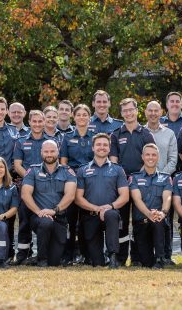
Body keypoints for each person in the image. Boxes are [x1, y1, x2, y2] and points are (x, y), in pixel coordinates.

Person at [110, 98, 156, 265]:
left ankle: (137, 258)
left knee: (139, 220)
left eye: (131, 110)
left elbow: (150, 159)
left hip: (141, 182)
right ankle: (120, 258)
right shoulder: (115, 134)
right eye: (125, 111)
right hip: (121, 184)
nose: (128, 113)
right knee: (120, 222)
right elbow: (114, 161)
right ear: (121, 114)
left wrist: (138, 178)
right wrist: (121, 179)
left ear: (137, 111)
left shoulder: (146, 134)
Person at [74, 133, 130, 268]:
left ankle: (113, 255)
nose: (102, 147)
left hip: (111, 214)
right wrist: (96, 209)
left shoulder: (118, 170)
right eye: (98, 144)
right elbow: (78, 198)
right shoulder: (82, 170)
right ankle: (98, 258)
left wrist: (109, 207)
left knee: (111, 215)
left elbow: (125, 196)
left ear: (109, 148)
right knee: (97, 263)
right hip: (90, 216)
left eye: (105, 145)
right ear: (92, 148)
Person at [21, 140, 78, 266]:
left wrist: (54, 211)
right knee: (46, 223)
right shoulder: (33, 171)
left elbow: (70, 195)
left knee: (55, 261)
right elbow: (25, 194)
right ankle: (42, 260)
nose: (49, 154)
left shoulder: (67, 172)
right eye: (46, 151)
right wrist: (39, 212)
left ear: (58, 152)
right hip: (39, 218)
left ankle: (39, 258)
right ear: (41, 152)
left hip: (59, 218)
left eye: (52, 151)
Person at [59, 104, 96, 264]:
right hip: (72, 182)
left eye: (84, 114)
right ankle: (69, 254)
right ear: (74, 117)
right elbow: (64, 163)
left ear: (89, 117)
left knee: (87, 221)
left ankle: (86, 254)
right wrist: (71, 176)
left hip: (90, 182)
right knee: (70, 221)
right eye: (78, 114)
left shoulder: (95, 137)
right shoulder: (67, 138)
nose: (81, 117)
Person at [12, 109, 50, 265]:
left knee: (43, 219)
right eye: (34, 121)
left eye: (40, 121)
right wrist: (31, 179)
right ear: (29, 123)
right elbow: (17, 165)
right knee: (24, 221)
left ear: (45, 122)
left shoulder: (50, 141)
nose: (37, 124)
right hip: (26, 187)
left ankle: (42, 253)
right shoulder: (21, 141)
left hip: (46, 188)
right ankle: (22, 254)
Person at [144, 100, 178, 265]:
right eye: (150, 110)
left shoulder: (169, 133)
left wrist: (161, 176)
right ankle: (146, 253)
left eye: (156, 110)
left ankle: (166, 255)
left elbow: (173, 159)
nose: (153, 113)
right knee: (145, 216)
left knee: (166, 219)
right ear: (145, 112)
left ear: (161, 112)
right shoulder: (140, 132)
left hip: (164, 180)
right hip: (144, 182)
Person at [129, 144, 172, 268]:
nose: (150, 157)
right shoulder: (134, 178)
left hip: (159, 222)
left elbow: (167, 197)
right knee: (147, 263)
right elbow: (137, 200)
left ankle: (160, 258)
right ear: (142, 157)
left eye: (154, 155)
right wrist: (148, 214)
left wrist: (162, 213)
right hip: (141, 223)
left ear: (158, 157)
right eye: (147, 154)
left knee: (158, 220)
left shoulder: (166, 178)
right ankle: (149, 259)